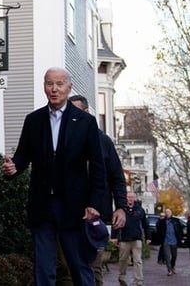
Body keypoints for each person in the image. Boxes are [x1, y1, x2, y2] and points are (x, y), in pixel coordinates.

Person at [2, 67, 107, 286]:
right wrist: (14, 167)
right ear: (44, 87)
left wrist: (94, 203)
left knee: (79, 265)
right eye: (49, 84)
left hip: (74, 207)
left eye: (59, 84)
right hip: (41, 205)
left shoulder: (85, 122)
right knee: (43, 268)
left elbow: (98, 166)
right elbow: (23, 156)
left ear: (69, 88)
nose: (54, 89)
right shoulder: (33, 120)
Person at [56, 95, 128, 286]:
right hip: (67, 214)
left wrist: (121, 207)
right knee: (66, 270)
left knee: (92, 268)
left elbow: (117, 177)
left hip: (93, 218)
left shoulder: (103, 142)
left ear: (86, 113)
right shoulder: (61, 140)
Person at [111, 191, 146, 286]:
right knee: (123, 259)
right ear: (126, 198)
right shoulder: (121, 210)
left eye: (132, 197)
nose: (130, 199)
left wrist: (148, 237)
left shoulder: (140, 210)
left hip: (136, 239)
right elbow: (115, 222)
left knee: (137, 260)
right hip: (124, 238)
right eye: (128, 197)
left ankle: (139, 281)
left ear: (134, 198)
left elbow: (145, 224)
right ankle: (122, 277)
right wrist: (113, 236)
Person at [153, 208, 183, 276]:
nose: (167, 213)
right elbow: (158, 231)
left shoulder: (176, 221)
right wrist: (160, 240)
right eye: (166, 212)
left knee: (174, 255)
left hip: (174, 240)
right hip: (166, 241)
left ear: (171, 213)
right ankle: (169, 270)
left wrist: (180, 238)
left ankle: (172, 267)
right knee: (167, 256)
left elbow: (180, 230)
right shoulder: (162, 222)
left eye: (169, 212)